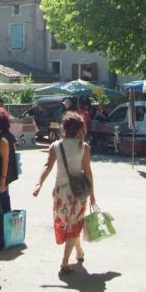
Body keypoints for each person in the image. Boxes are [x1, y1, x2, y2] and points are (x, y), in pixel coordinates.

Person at [33, 111, 95, 275]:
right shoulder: (84, 147)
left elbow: (47, 166)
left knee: (68, 225)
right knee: (74, 225)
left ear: (65, 128)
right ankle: (68, 260)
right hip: (79, 193)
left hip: (60, 193)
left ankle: (71, 258)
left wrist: (39, 183)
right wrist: (93, 194)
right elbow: (88, 172)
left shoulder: (56, 146)